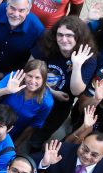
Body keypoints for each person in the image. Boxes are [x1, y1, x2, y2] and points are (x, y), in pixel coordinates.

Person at [30, 17, 97, 150]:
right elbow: (29, 69)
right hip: (34, 94)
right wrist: (51, 91)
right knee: (22, 127)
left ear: (78, 37)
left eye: (69, 36)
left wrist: (77, 64)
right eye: (60, 35)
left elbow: (76, 91)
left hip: (59, 107)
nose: (63, 39)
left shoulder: (88, 58)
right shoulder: (48, 44)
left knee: (36, 140)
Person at [0, 61, 54, 146]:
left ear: (44, 80)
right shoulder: (14, 78)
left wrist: (16, 145)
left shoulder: (47, 102)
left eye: (37, 78)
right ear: (24, 74)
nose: (33, 81)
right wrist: (6, 90)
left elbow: (32, 126)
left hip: (11, 135)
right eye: (30, 76)